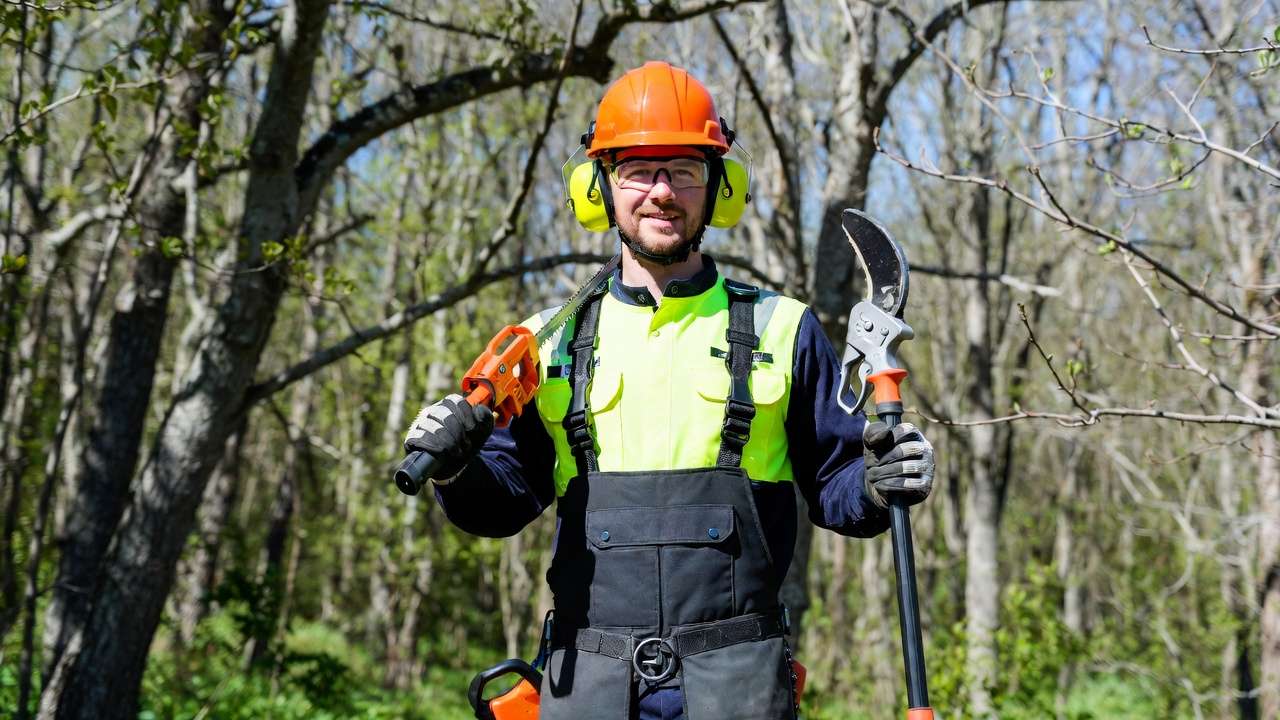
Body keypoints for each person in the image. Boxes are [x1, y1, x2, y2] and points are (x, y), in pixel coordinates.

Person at [403, 61, 935, 720]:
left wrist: (883, 479)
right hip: (585, 683)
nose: (662, 191)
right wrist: (456, 472)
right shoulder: (546, 345)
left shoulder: (783, 328)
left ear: (720, 188)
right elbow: (504, 502)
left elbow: (838, 488)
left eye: (685, 169)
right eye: (637, 170)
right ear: (598, 188)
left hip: (739, 683)